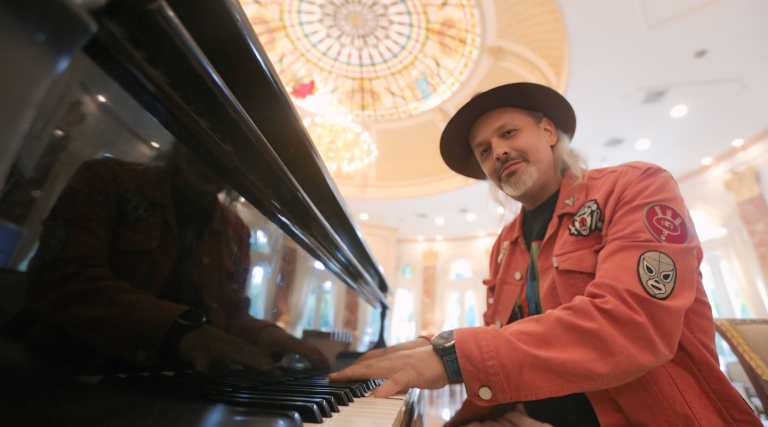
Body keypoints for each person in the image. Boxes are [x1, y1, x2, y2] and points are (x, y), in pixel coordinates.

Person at [330, 83, 762, 426]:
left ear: (549, 132)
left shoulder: (636, 186)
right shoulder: (505, 244)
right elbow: (505, 333)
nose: (498, 151)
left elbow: (633, 322)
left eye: (508, 133)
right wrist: (431, 344)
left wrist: (451, 355)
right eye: (484, 151)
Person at [13, 143, 326, 374]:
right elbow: (63, 282)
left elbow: (230, 315)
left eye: (235, 151)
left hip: (172, 385)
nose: (216, 155)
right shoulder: (107, 179)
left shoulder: (235, 229)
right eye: (208, 137)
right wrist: (181, 332)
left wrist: (271, 336)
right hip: (68, 372)